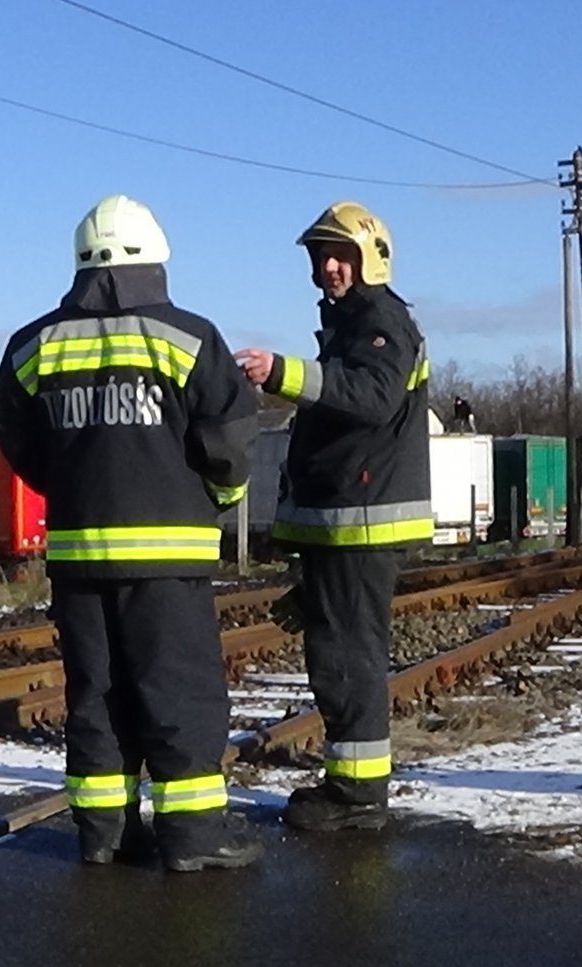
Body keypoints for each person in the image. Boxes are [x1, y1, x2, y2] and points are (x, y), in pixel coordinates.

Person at [0, 194, 262, 873]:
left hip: (79, 557)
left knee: (97, 695)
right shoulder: (189, 338)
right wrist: (220, 496)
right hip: (170, 558)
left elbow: (18, 440)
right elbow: (230, 438)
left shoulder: (32, 346)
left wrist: (71, 485)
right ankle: (194, 836)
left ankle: (103, 833)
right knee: (178, 691)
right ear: (157, 259)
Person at [234, 200, 432, 832]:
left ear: (371, 259)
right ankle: (351, 785)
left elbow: (371, 398)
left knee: (348, 659)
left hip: (360, 524)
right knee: (338, 655)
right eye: (322, 257)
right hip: (345, 526)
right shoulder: (353, 325)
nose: (329, 268)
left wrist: (283, 374)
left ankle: (357, 796)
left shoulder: (381, 322)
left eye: (341, 256)